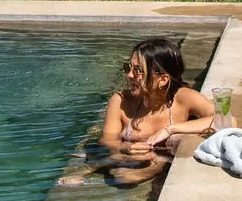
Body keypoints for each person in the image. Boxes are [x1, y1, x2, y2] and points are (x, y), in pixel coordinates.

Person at [58, 36, 229, 186]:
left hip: (162, 157)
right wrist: (124, 147)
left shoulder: (183, 98)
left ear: (162, 80)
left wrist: (170, 129)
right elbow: (107, 140)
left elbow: (227, 121)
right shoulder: (120, 101)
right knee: (123, 169)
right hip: (129, 157)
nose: (130, 75)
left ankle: (159, 165)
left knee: (125, 177)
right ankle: (89, 172)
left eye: (138, 71)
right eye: (128, 68)